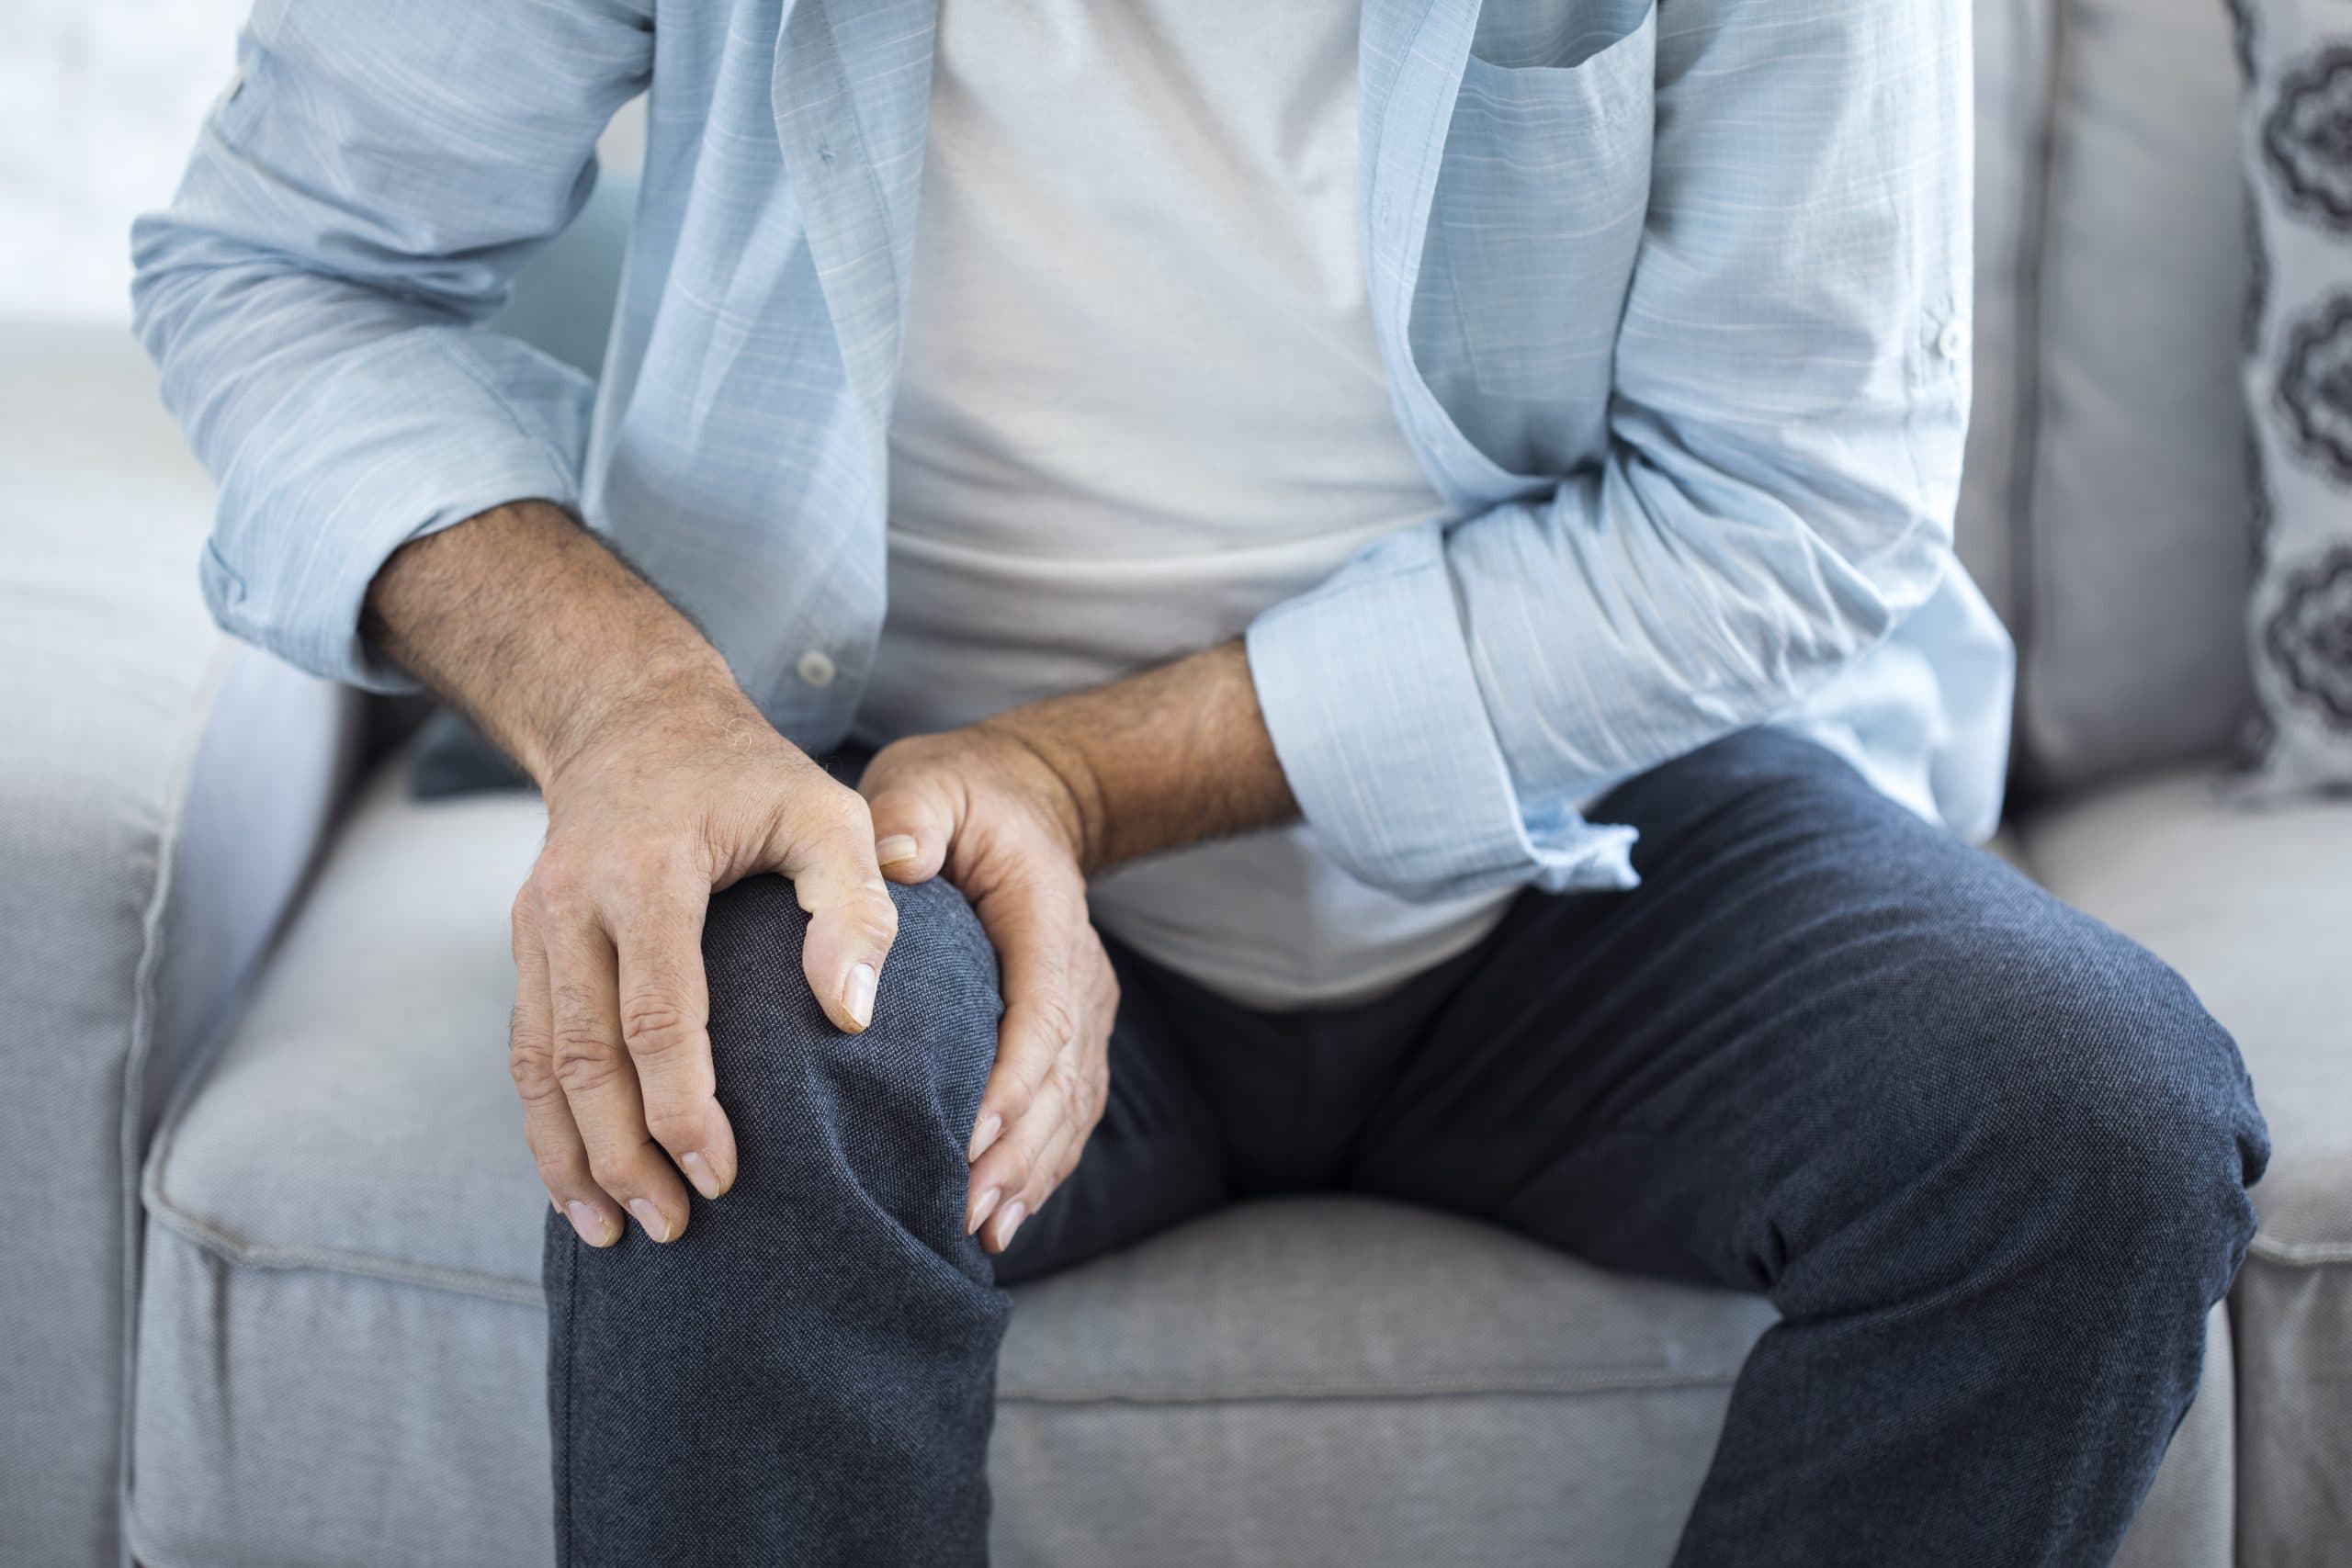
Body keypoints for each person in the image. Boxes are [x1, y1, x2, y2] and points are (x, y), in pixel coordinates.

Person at [132, 1, 2269, 1562]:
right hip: (876, 789)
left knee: (2088, 1116)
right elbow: (290, 269)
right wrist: (629, 707)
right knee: (737, 1070)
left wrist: (1072, 773)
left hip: (1603, 821)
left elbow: (1785, 506)